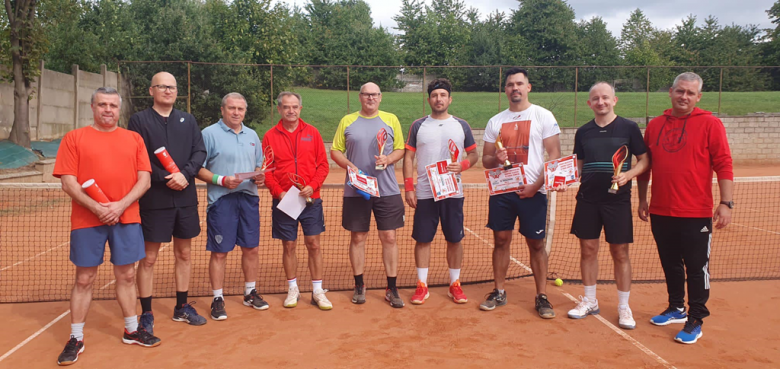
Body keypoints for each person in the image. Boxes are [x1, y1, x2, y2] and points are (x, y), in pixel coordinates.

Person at [54, 87, 160, 366]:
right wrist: (98, 207)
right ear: (92, 107)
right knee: (84, 279)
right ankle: (76, 337)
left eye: (113, 105)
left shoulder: (133, 139)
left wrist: (118, 206)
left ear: (119, 109)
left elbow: (144, 180)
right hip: (87, 220)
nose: (108, 110)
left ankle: (132, 329)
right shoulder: (74, 138)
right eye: (102, 104)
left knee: (126, 275)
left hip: (126, 217)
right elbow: (68, 182)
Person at [637, 72, 733, 344]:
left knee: (696, 267)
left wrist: (726, 203)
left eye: (690, 93)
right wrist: (643, 199)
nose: (684, 96)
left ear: (698, 97)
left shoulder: (710, 124)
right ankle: (676, 307)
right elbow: (646, 166)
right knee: (670, 263)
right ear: (671, 91)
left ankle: (696, 318)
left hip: (696, 212)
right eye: (680, 91)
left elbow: (724, 164)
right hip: (661, 210)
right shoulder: (655, 125)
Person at [479, 68, 564, 318]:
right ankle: (499, 291)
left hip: (533, 192)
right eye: (510, 85)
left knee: (536, 244)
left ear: (528, 87)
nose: (514, 88)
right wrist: (496, 158)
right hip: (502, 192)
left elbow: (555, 155)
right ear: (505, 90)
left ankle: (541, 296)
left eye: (519, 83)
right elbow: (485, 160)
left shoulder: (543, 116)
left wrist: (536, 186)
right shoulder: (495, 121)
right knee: (501, 241)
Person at [128, 72, 208, 333]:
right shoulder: (139, 120)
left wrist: (184, 175)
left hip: (185, 198)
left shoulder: (188, 120)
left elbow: (200, 152)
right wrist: (165, 177)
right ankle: (147, 312)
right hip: (154, 200)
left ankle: (182, 307)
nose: (168, 91)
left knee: (184, 253)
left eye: (172, 87)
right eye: (162, 86)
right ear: (151, 90)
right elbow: (136, 157)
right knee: (149, 259)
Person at [566, 82, 649, 330]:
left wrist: (629, 174)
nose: (600, 102)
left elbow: (645, 160)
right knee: (588, 249)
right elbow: (578, 165)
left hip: (618, 201)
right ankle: (590, 300)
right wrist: (563, 180)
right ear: (589, 103)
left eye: (605, 98)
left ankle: (624, 306)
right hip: (588, 200)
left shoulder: (629, 128)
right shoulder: (583, 132)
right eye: (595, 99)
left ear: (614, 100)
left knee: (620, 253)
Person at [403, 78, 478, 305]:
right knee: (423, 239)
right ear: (429, 100)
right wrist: (409, 187)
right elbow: (408, 157)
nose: (439, 99)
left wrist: (463, 165)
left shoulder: (461, 125)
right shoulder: (418, 125)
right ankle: (422, 285)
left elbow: (474, 155)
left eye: (443, 95)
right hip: (426, 192)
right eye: (435, 95)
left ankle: (455, 284)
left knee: (454, 239)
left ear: (450, 99)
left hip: (452, 192)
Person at [331, 82, 406, 308]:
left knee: (390, 238)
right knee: (358, 238)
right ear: (360, 97)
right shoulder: (347, 121)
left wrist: (389, 159)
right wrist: (349, 166)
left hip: (387, 190)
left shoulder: (391, 119)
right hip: (357, 190)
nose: (370, 98)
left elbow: (401, 149)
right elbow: (335, 150)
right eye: (366, 94)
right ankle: (359, 285)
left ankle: (391, 288)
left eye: (374, 94)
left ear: (380, 97)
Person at [197, 92, 268, 321]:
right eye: (232, 108)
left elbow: (259, 166)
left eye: (240, 109)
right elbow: (198, 168)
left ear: (245, 111)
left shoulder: (252, 135)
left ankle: (250, 292)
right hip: (221, 201)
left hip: (248, 199)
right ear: (222, 110)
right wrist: (221, 180)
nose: (236, 112)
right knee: (220, 253)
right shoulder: (208, 134)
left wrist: (260, 178)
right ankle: (218, 298)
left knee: (252, 249)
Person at [263, 92, 332, 310]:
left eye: (294, 107)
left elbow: (323, 165)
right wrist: (278, 192)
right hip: (284, 200)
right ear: (279, 110)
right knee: (289, 245)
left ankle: (318, 290)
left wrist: (313, 185)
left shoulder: (312, 132)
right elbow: (267, 170)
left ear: (300, 109)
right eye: (286, 107)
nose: (290, 110)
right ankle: (292, 288)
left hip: (311, 199)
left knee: (313, 244)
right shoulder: (270, 136)